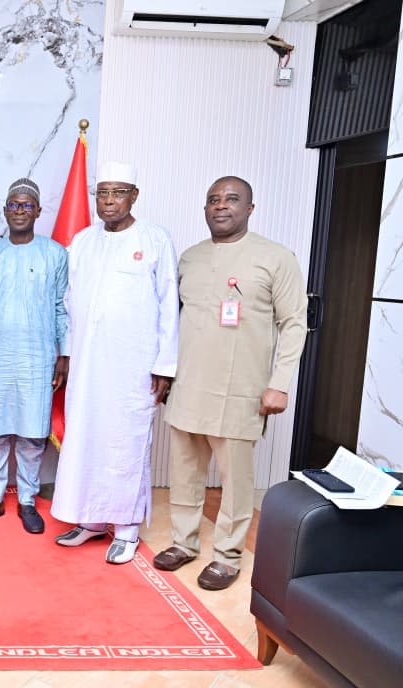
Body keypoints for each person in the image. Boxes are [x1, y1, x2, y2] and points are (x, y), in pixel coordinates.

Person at [155, 176, 307, 591]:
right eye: (213, 199)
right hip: (188, 384)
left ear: (250, 209)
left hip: (241, 390)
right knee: (185, 472)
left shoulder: (275, 258)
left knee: (236, 481)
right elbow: (169, 322)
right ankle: (183, 542)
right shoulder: (189, 258)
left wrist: (280, 383)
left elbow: (295, 323)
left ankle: (227, 556)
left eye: (232, 199)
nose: (221, 206)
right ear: (205, 208)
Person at [51, 162, 179, 564]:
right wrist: (67, 352)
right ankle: (91, 519)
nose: (109, 201)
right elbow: (70, 302)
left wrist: (165, 365)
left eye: (118, 192)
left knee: (126, 441)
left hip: (134, 366)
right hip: (88, 364)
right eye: (102, 193)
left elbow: (169, 305)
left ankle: (125, 528)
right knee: (87, 438)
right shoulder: (83, 241)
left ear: (134, 196)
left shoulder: (155, 239)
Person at [0, 178, 69, 534]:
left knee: (31, 435)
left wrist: (64, 354)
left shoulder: (55, 254)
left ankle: (27, 500)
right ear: (5, 210)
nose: (20, 211)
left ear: (38, 211)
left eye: (27, 205)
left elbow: (62, 308)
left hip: (37, 357)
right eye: (14, 204)